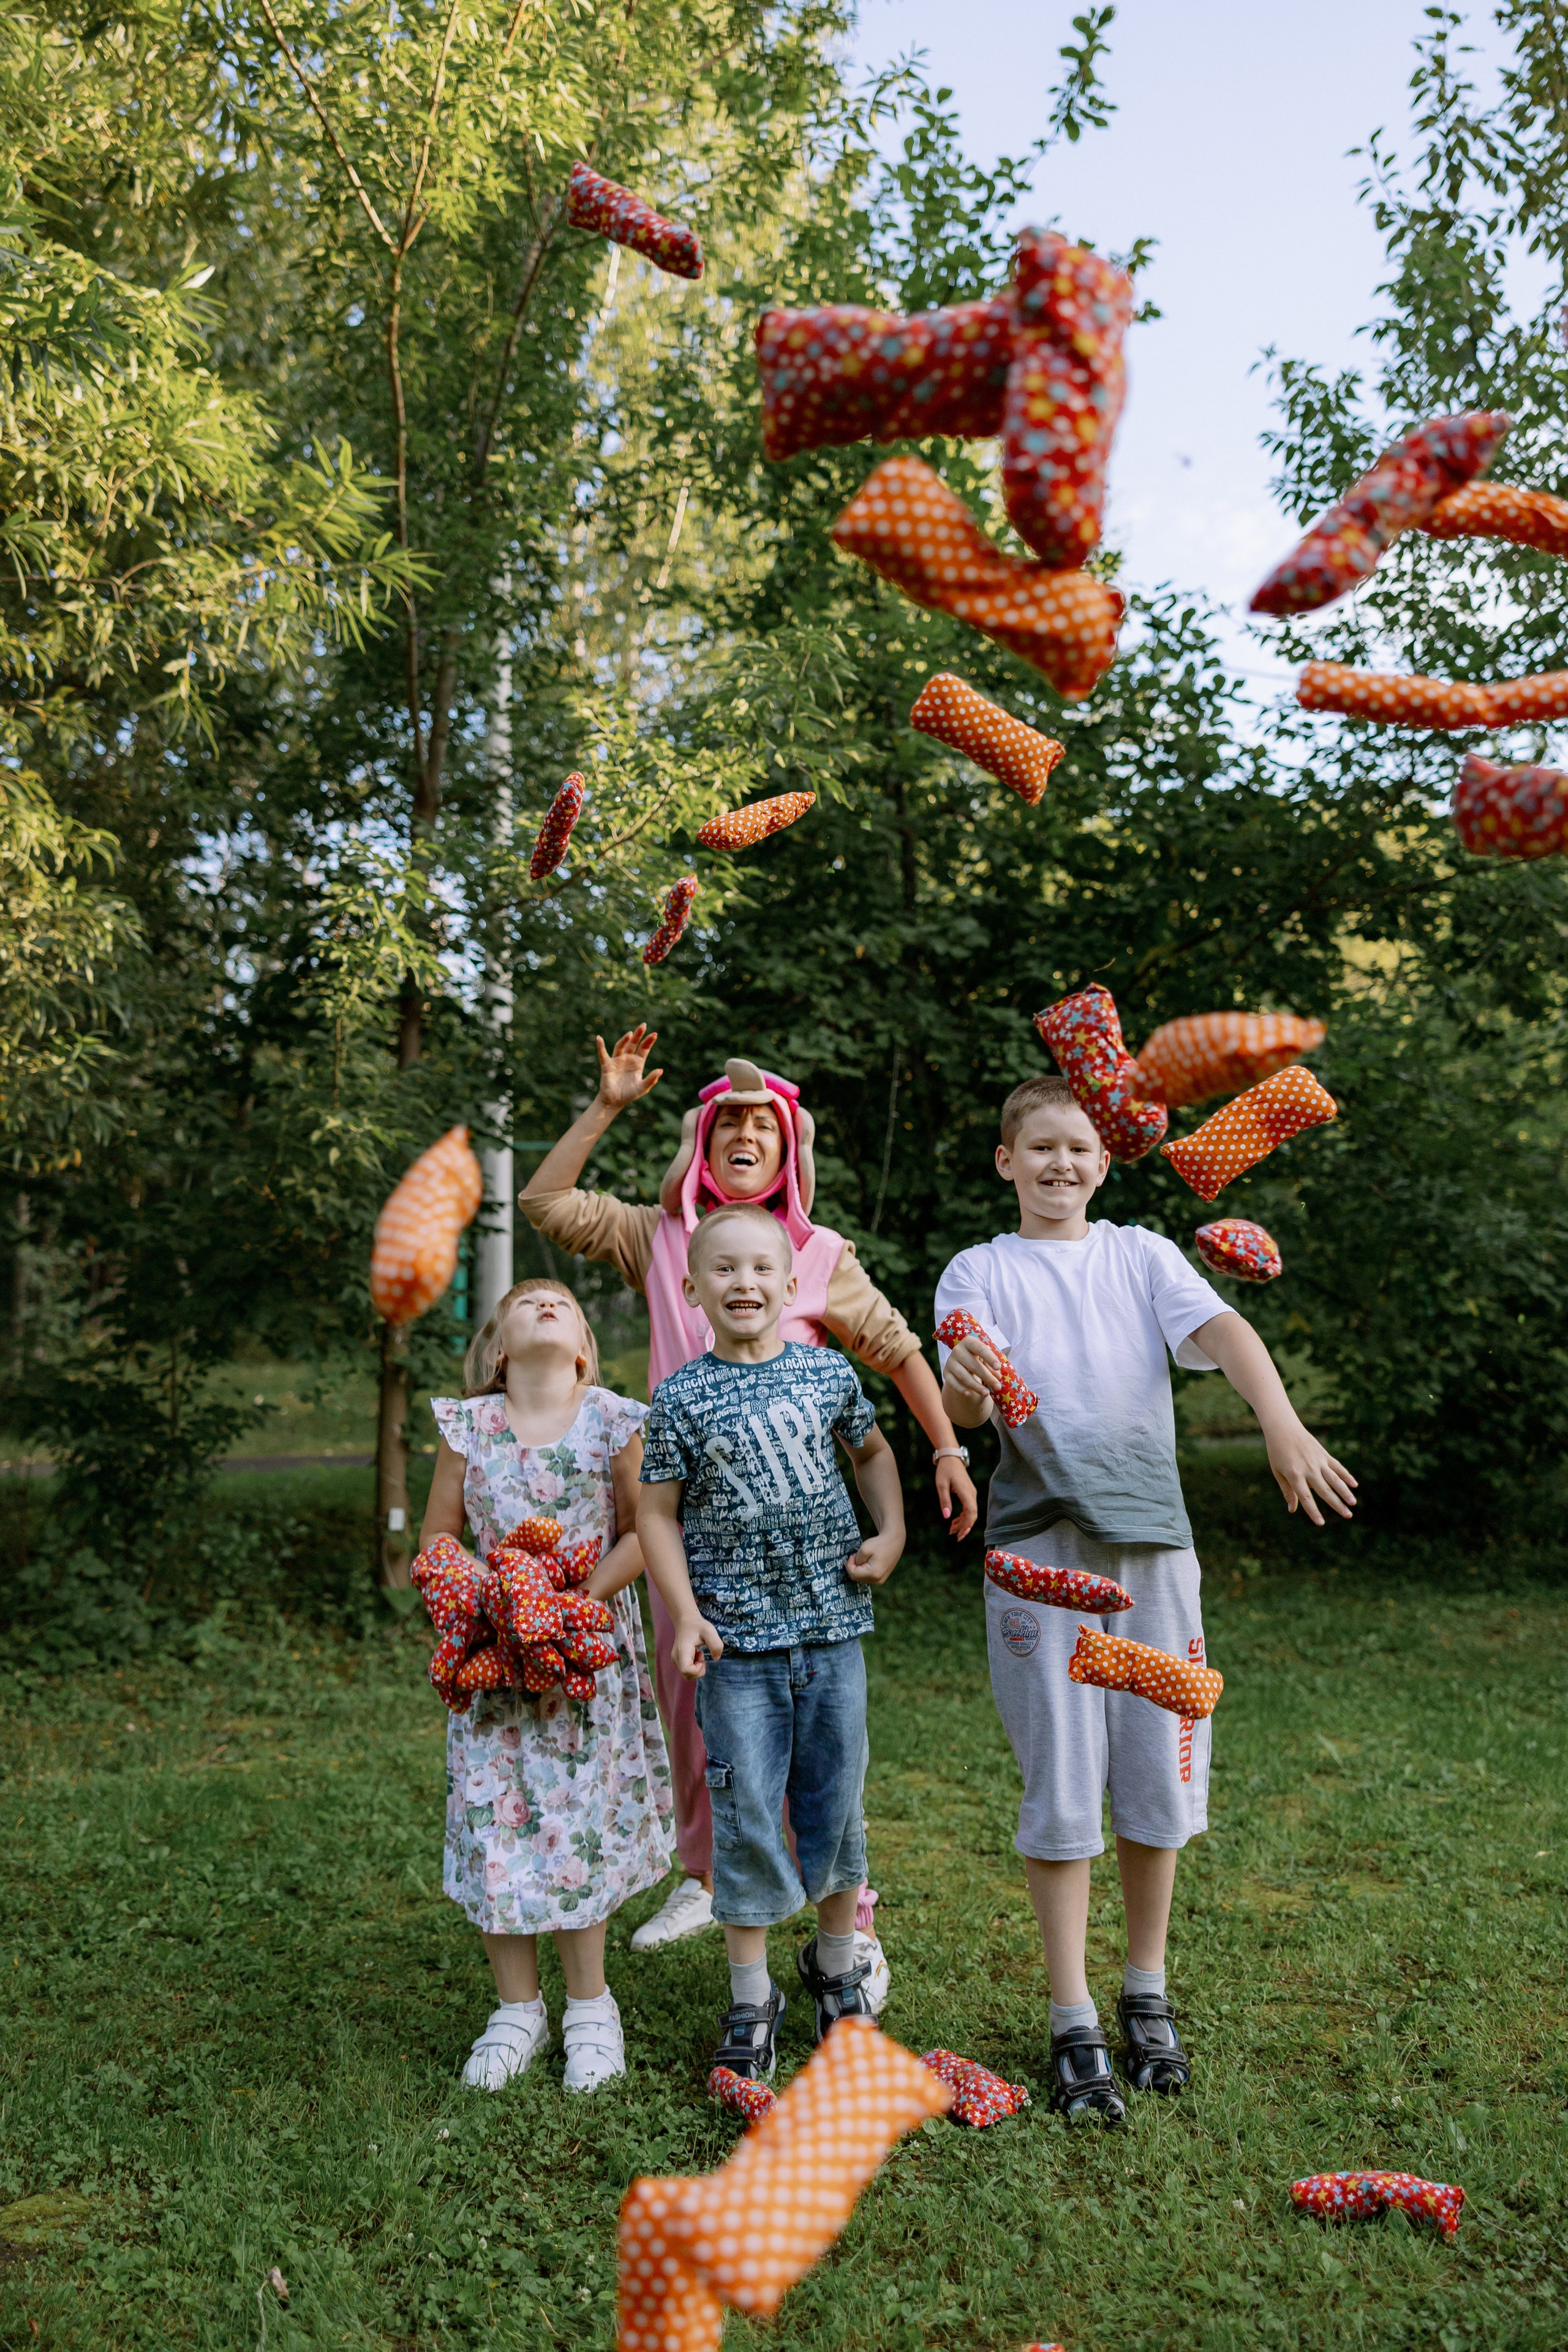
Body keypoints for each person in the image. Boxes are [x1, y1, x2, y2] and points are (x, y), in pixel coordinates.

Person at [936, 1074, 1356, 2124]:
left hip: (1156, 1559)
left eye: (1079, 1148)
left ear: (1106, 1160)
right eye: (1039, 1149)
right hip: (1039, 1559)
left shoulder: (1142, 1255)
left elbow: (1225, 1336)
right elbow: (951, 1396)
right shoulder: (976, 1271)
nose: (1061, 1165)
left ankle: (1147, 1988)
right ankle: (1072, 2013)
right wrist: (972, 1388)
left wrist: (1281, 1423)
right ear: (1006, 1161)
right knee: (1065, 1784)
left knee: (1158, 1778)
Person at [519, 1027, 976, 1968]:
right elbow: (546, 1201)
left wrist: (945, 1448)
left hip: (799, 1546)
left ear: (787, 1149)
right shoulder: (657, 1238)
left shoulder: (817, 1253)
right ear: (700, 1140)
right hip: (682, 1528)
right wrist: (606, 1108)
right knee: (698, 1714)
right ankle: (710, 1879)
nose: (744, 1133)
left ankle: (851, 1912)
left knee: (816, 1737)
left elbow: (892, 1353)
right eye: (726, 1119)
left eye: (763, 1124)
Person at [636, 1202, 905, 2079]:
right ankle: (751, 1997)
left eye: (762, 1270)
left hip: (831, 1632)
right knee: (746, 1814)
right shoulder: (677, 1397)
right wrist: (685, 1613)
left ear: (793, 1287)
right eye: (724, 1270)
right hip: (737, 1650)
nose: (744, 1283)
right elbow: (655, 1514)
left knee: (834, 1803)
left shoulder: (826, 1376)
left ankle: (836, 1973)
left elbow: (869, 1451)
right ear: (692, 1290)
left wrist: (892, 1531)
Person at [420, 1278, 673, 2094]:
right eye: (526, 1301)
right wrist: (487, 1598)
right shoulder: (469, 1429)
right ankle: (516, 2007)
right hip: (496, 1653)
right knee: (500, 1819)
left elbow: (643, 1532)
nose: (545, 1304)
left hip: (584, 1650)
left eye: (562, 1301)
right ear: (497, 1351)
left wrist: (570, 1605)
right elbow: (438, 1534)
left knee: (579, 1821)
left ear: (584, 1352)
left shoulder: (614, 1420)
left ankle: (591, 2006)